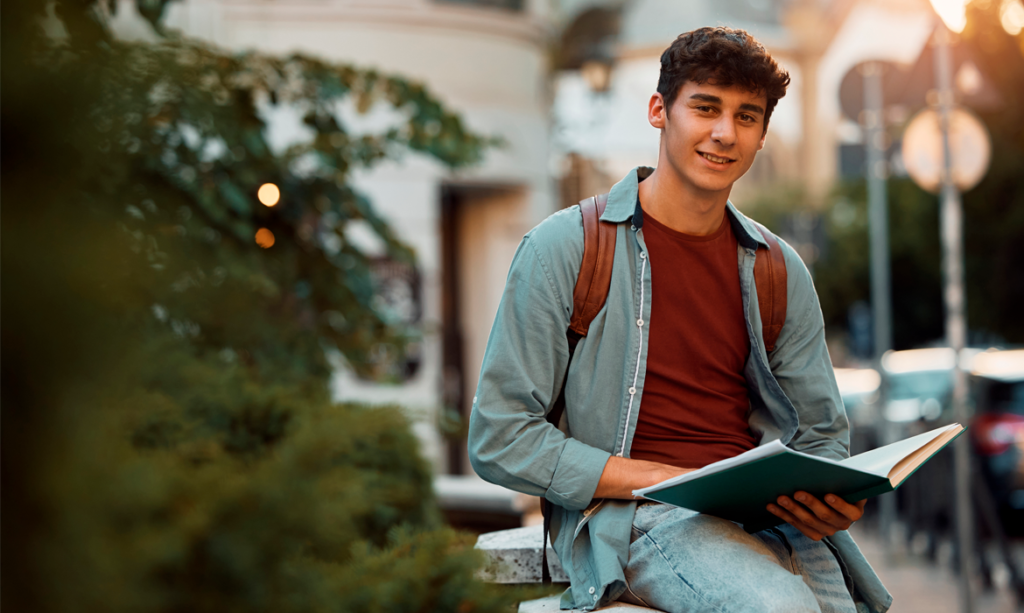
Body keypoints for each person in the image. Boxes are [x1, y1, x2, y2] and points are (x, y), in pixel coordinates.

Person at [468, 27, 892, 613]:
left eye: (747, 116)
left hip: (762, 520)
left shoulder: (778, 269)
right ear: (659, 111)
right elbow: (499, 434)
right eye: (705, 107)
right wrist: (654, 476)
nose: (725, 133)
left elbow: (822, 437)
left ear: (762, 135)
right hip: (637, 518)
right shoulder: (565, 247)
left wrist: (833, 495)